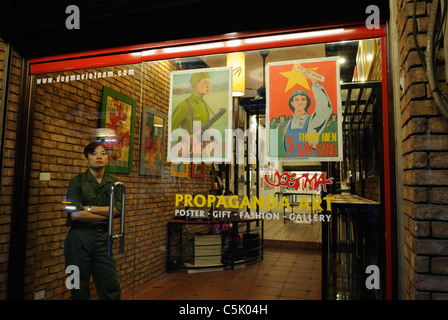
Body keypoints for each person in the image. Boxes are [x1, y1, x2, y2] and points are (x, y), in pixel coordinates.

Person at [64, 142, 123, 300]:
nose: (99, 157)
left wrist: (88, 208)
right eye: (94, 154)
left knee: (111, 288)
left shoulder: (115, 183)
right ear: (86, 158)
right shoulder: (77, 181)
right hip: (78, 241)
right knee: (77, 288)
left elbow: (118, 210)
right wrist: (106, 213)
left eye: (103, 153)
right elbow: (75, 215)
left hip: (104, 240)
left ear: (107, 158)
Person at [283, 69, 332, 157]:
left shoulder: (312, 121)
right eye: (296, 100)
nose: (300, 102)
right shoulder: (288, 124)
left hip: (309, 160)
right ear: (292, 103)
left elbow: (324, 108)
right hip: (290, 162)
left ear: (307, 102)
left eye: (303, 99)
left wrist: (314, 81)